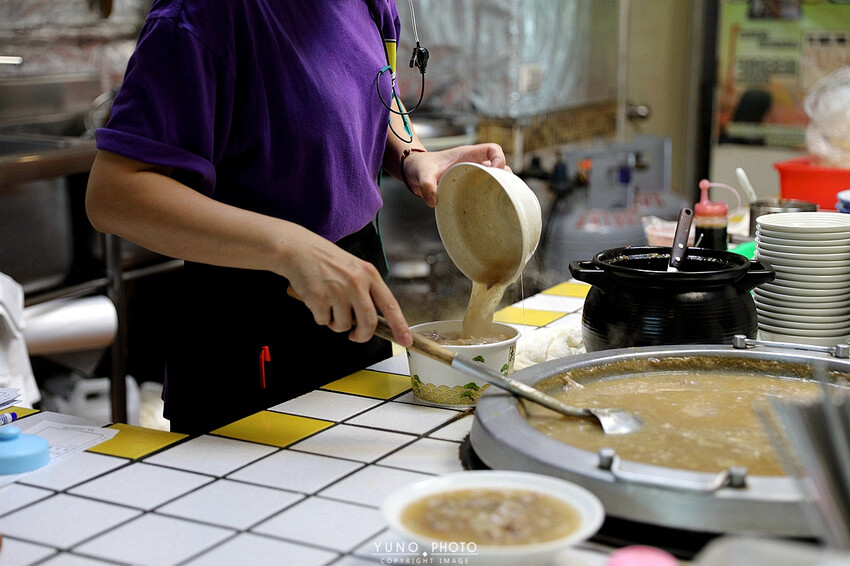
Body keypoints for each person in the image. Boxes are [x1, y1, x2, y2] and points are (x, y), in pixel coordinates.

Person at [85, 0, 509, 435]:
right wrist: (289, 246)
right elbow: (114, 194)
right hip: (251, 314)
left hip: (355, 289)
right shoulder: (203, 15)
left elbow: (379, 90)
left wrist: (412, 155)